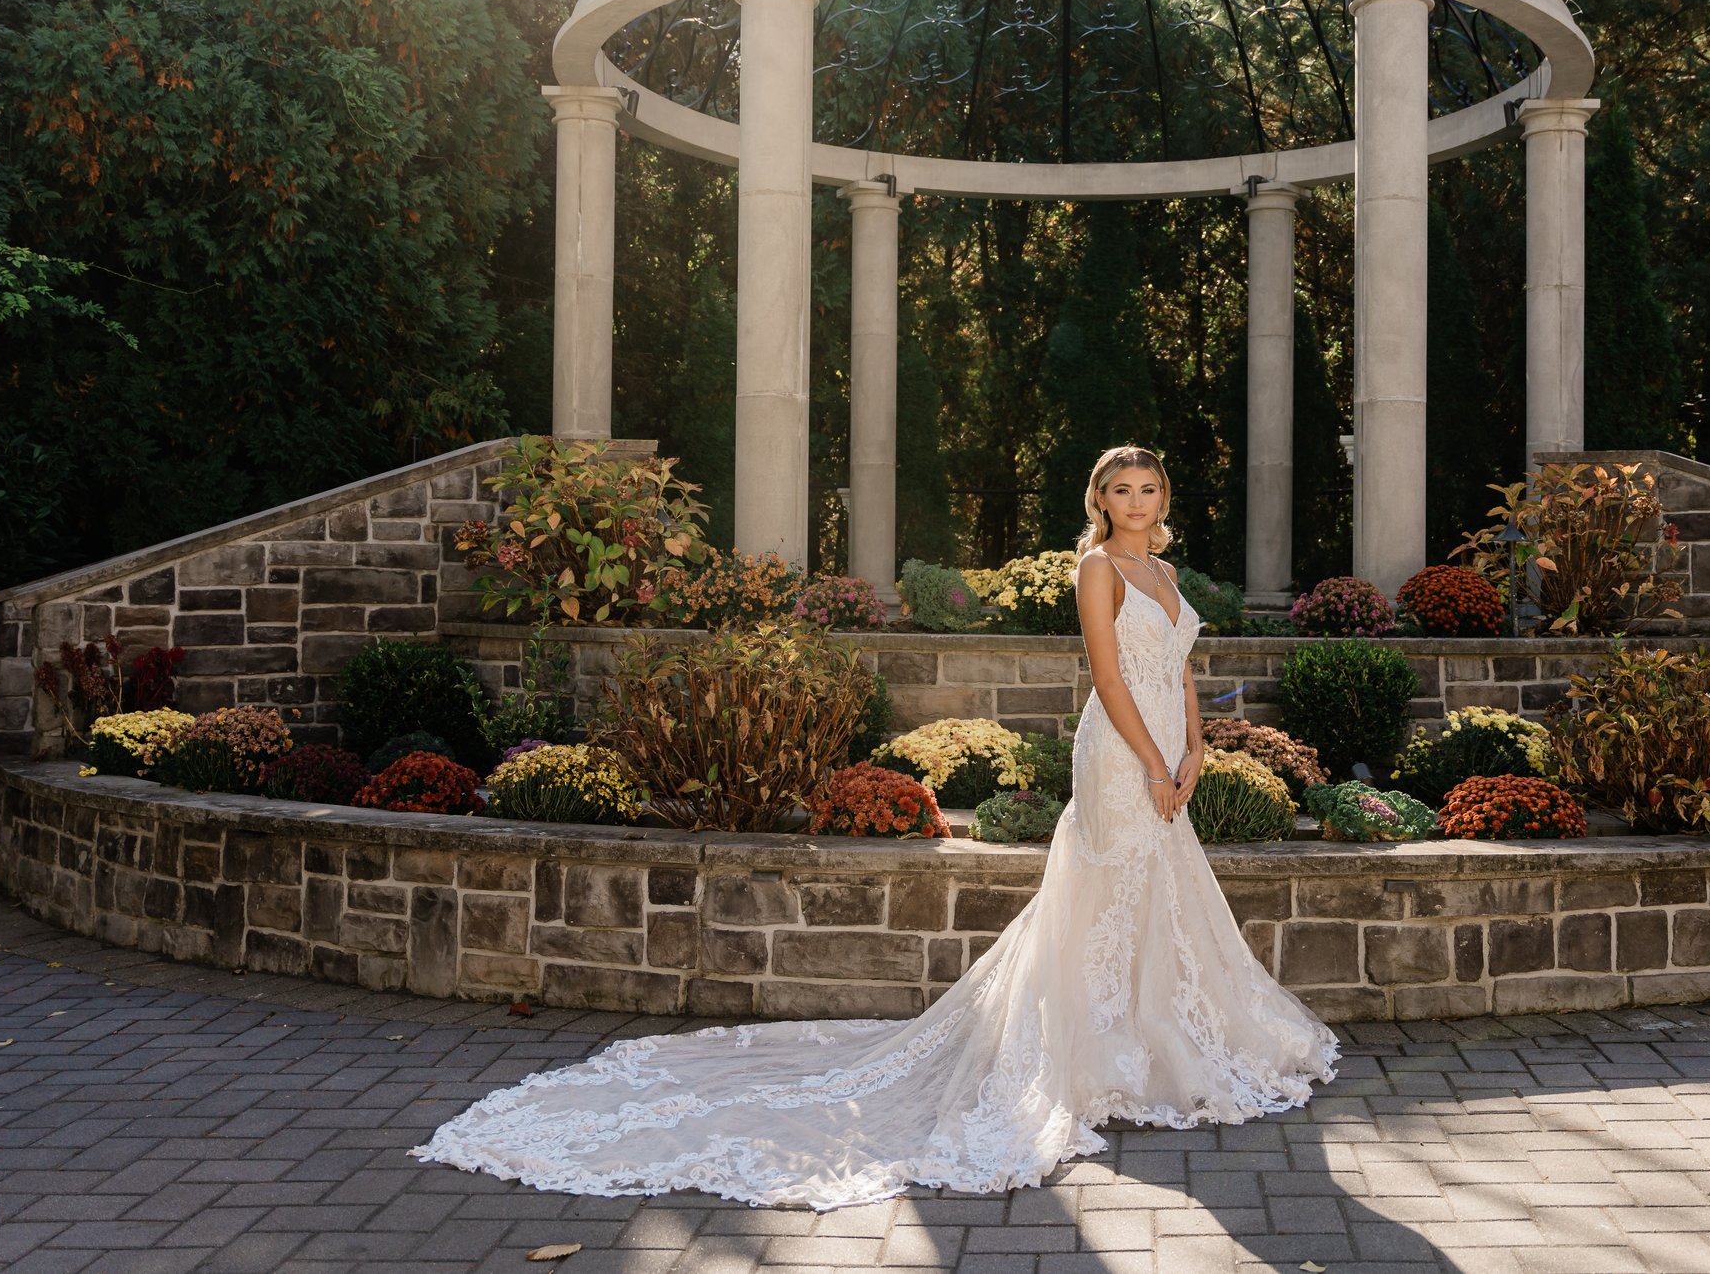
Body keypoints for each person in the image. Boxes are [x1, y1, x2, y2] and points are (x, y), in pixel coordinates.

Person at [412, 444, 1338, 1209]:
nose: (1135, 502)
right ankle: (1087, 1053)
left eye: (1149, 489)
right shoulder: (1096, 567)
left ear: (1163, 500)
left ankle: (1151, 1038)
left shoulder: (1167, 571)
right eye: (1121, 489)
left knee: (1159, 894)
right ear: (1100, 499)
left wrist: (1194, 753)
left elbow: (1178, 669)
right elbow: (1107, 674)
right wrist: (1147, 759)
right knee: (1105, 893)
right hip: (1117, 754)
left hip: (1169, 752)